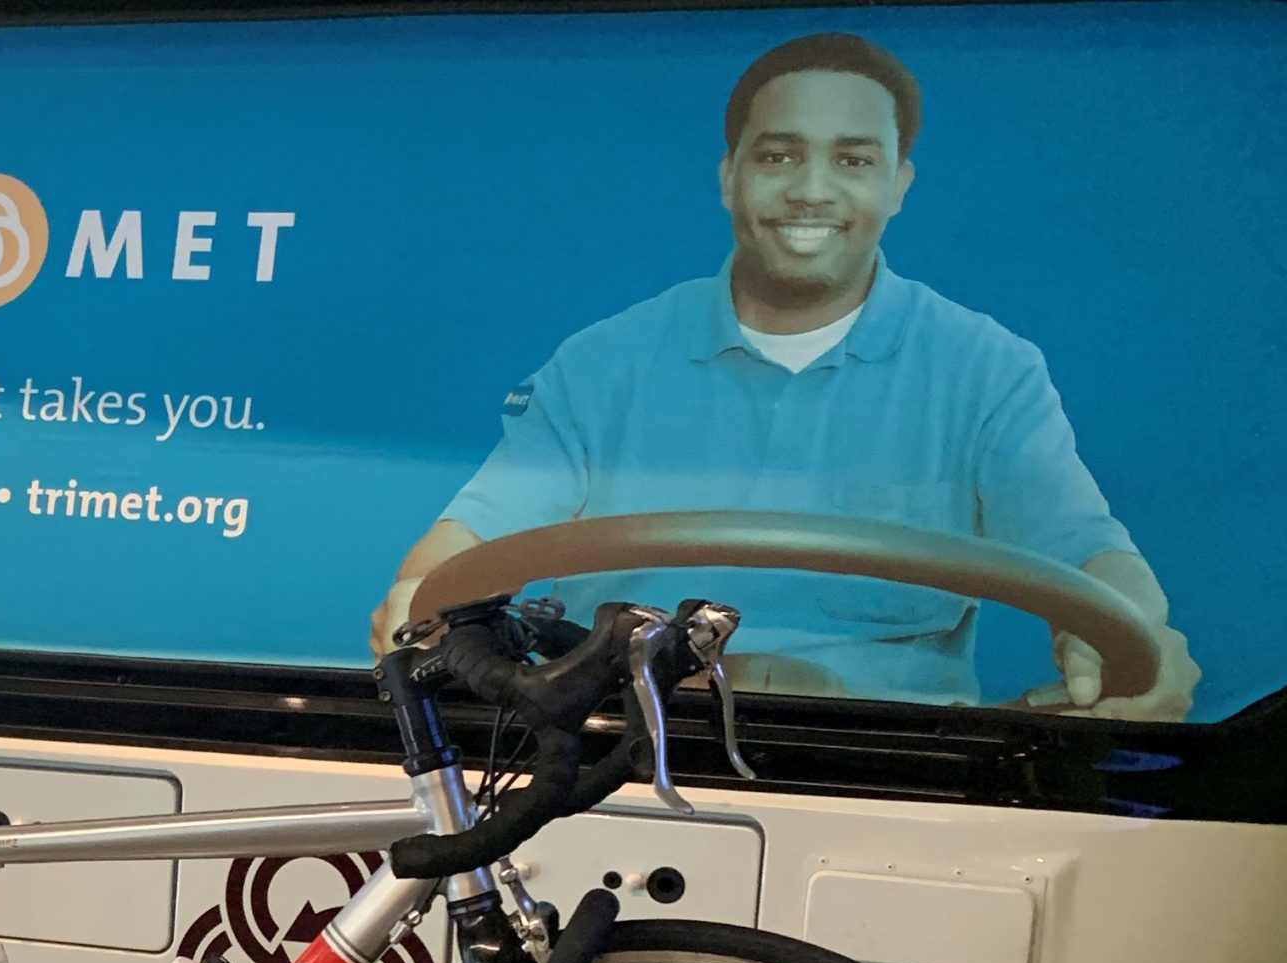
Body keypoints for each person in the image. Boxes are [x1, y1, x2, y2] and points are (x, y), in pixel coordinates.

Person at [373, 31, 1197, 719]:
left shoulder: (989, 370)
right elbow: (466, 546)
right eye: (778, 155)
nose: (811, 190)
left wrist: (1133, 628)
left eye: (852, 159)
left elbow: (1092, 557)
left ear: (898, 185)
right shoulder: (601, 363)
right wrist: (418, 593)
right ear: (729, 176)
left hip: (903, 776)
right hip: (615, 760)